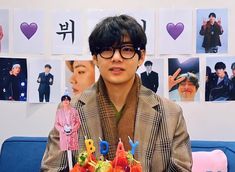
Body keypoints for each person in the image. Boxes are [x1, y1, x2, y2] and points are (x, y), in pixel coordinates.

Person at [41, 14, 192, 171]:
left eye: (126, 50)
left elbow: (181, 169)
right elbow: (52, 168)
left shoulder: (171, 113)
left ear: (141, 57)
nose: (116, 57)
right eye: (107, 50)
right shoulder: (69, 110)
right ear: (95, 58)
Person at [55, 95, 80, 170]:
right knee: (65, 155)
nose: (65, 101)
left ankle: (74, 168)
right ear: (62, 102)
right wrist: (63, 129)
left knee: (74, 154)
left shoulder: (74, 111)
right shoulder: (59, 112)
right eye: (64, 100)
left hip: (73, 136)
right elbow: (56, 124)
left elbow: (78, 122)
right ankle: (67, 168)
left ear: (69, 101)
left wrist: (72, 129)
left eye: (67, 100)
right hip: (64, 136)